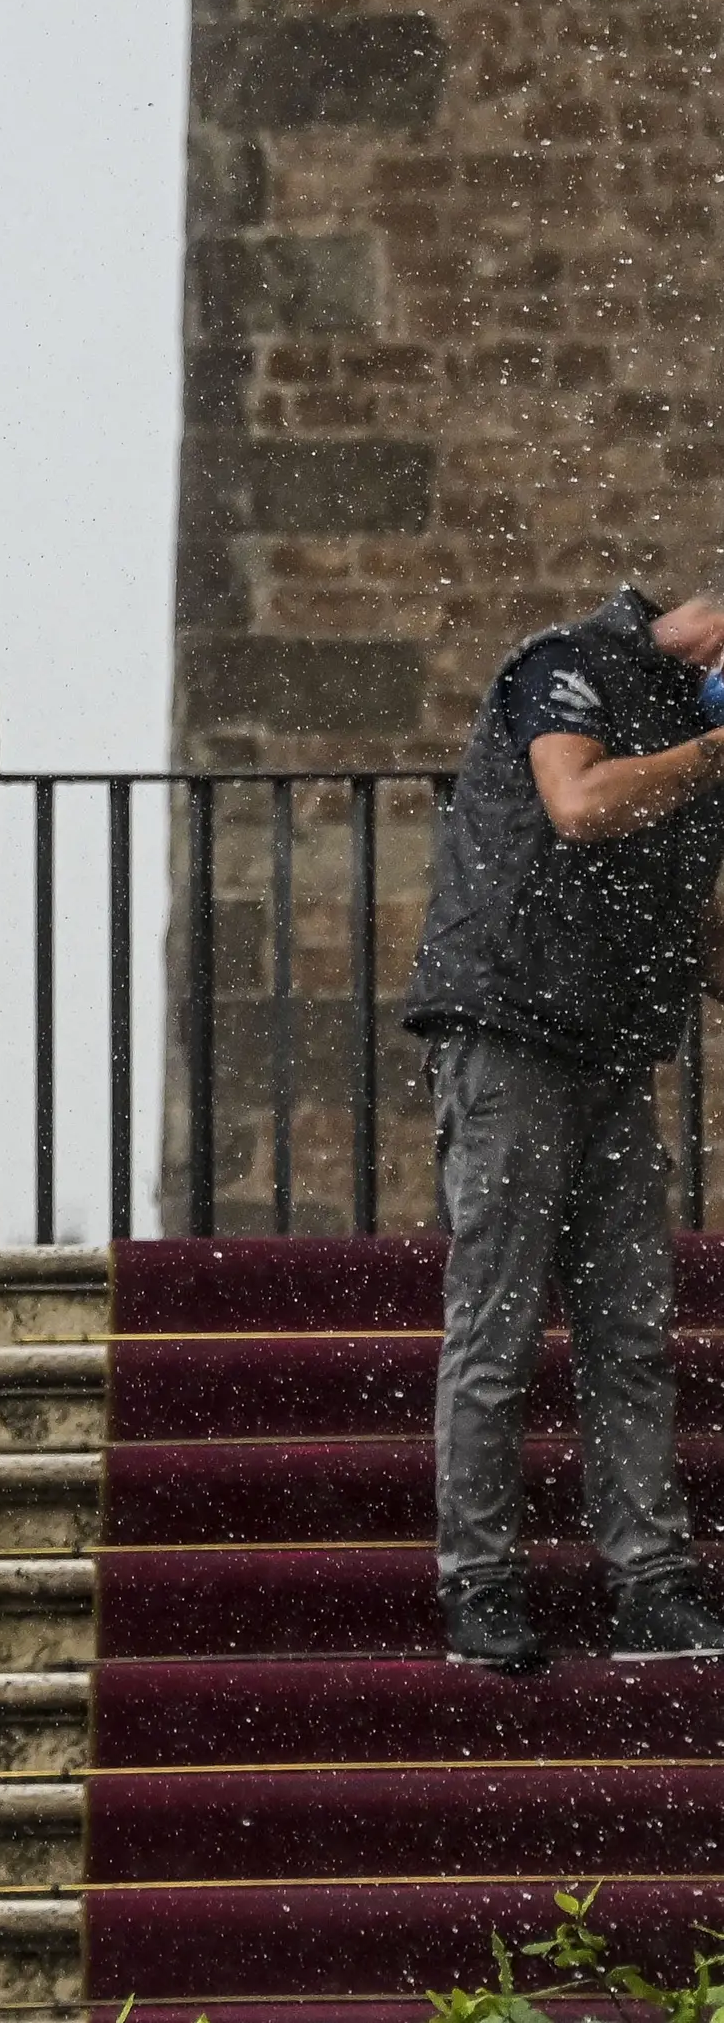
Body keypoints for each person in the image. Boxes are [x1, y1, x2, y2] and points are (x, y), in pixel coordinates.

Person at [402, 578, 724, 1671]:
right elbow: (578, 802)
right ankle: (480, 1587)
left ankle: (653, 1584)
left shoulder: (695, 728)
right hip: (513, 1038)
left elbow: (691, 918)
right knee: (494, 1330)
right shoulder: (573, 662)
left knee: (629, 1337)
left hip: (612, 1054)